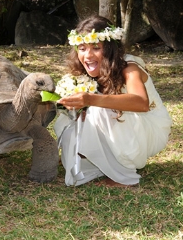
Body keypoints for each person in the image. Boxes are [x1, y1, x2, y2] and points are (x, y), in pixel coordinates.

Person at [53, 15, 172, 187]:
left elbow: (141, 103)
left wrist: (90, 99)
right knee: (71, 118)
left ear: (109, 48)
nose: (88, 55)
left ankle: (122, 177)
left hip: (150, 129)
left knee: (99, 109)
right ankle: (95, 161)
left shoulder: (129, 68)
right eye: (82, 48)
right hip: (126, 126)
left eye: (96, 48)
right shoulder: (85, 72)